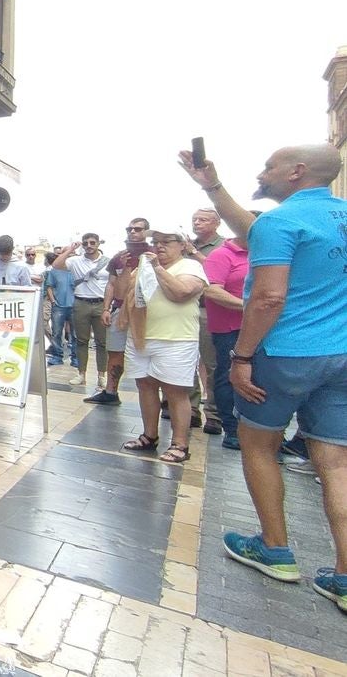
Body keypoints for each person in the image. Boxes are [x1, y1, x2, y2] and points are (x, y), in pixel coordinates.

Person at [192, 143, 347, 612]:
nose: (263, 172)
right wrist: (213, 187)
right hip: (339, 354)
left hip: (282, 354)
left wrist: (241, 358)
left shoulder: (281, 222)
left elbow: (268, 299)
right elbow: (257, 231)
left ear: (296, 172)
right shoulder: (333, 217)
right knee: (336, 462)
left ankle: (275, 549)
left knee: (260, 446)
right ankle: (343, 576)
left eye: (270, 166)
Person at [118, 228, 207, 463]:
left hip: (175, 340)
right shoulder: (142, 266)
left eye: (166, 241)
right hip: (140, 338)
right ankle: (149, 435)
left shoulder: (190, 267)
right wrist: (125, 269)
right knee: (145, 385)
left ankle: (180, 444)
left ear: (182, 244)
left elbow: (182, 292)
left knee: (175, 392)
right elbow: (122, 293)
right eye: (155, 241)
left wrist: (157, 268)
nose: (159, 246)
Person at [202, 220, 257, 450]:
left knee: (260, 378)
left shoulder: (265, 253)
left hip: (262, 327)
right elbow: (212, 290)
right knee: (228, 374)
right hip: (230, 329)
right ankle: (232, 429)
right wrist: (252, 307)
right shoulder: (222, 255)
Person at [88, 218, 152, 406]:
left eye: (137, 229)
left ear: (146, 232)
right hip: (119, 307)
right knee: (115, 351)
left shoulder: (154, 254)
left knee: (148, 352)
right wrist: (106, 308)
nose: (132, 232)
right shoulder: (119, 256)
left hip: (145, 310)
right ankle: (110, 391)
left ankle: (161, 397)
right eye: (129, 229)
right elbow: (111, 284)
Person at [53, 234, 110, 391]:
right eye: (86, 243)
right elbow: (56, 265)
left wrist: (108, 306)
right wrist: (70, 249)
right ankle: (82, 374)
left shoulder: (108, 262)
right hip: (81, 303)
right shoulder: (75, 261)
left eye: (92, 242)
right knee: (81, 340)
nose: (89, 245)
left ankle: (101, 376)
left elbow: (113, 283)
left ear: (98, 243)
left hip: (100, 303)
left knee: (102, 342)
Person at [186, 208, 225, 433]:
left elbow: (216, 271)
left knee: (212, 364)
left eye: (202, 220)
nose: (197, 223)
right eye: (195, 219)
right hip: (185, 308)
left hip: (209, 310)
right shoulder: (186, 246)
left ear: (216, 223)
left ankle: (213, 414)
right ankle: (190, 408)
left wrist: (194, 253)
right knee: (187, 360)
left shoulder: (223, 246)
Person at [43, 251, 76, 368]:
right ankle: (57, 356)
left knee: (75, 334)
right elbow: (49, 286)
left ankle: (75, 358)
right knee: (56, 333)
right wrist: (53, 301)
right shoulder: (54, 271)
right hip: (58, 306)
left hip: (74, 306)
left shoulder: (75, 271)